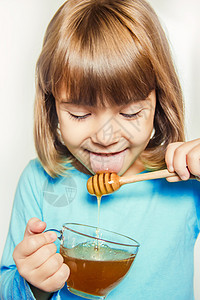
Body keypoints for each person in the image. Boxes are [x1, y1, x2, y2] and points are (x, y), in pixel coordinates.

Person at [0, 0, 200, 299]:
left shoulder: (185, 182)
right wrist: (32, 284)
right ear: (51, 106)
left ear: (161, 101)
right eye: (80, 114)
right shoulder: (39, 181)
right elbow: (7, 285)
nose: (105, 137)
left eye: (130, 112)